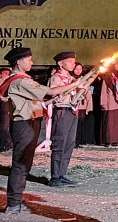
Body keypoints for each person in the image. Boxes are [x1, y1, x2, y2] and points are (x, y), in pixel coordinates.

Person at [0, 47, 94, 215]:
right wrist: (75, 83)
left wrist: (52, 101)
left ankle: (16, 201)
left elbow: (39, 101)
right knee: (21, 164)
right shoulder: (20, 81)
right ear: (19, 61)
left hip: (30, 122)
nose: (32, 62)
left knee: (25, 164)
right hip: (24, 124)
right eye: (29, 60)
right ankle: (13, 203)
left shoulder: (23, 80)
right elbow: (50, 91)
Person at [48, 51, 89, 186]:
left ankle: (61, 173)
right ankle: (55, 176)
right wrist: (74, 85)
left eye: (73, 62)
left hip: (72, 111)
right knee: (59, 143)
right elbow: (55, 93)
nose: (73, 64)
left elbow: (77, 94)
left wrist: (82, 90)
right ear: (60, 63)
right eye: (70, 62)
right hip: (62, 111)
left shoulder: (71, 78)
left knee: (69, 143)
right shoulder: (56, 77)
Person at [100, 61, 118, 146]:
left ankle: (117, 140)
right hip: (110, 102)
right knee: (110, 122)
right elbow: (103, 91)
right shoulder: (108, 77)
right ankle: (109, 140)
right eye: (117, 65)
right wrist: (103, 103)